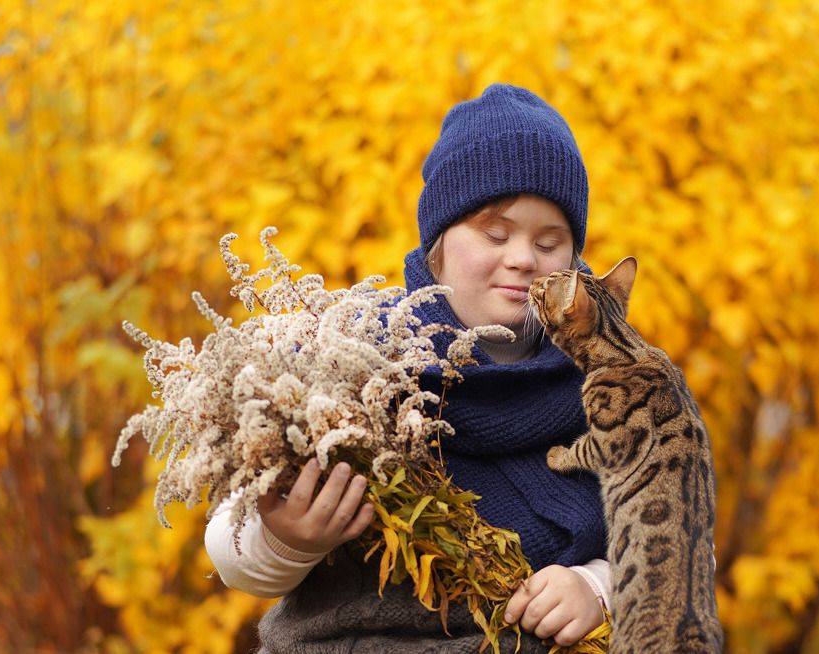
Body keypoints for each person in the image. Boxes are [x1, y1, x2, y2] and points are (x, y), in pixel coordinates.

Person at [205, 83, 610, 653]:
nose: (523, 258)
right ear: (438, 244)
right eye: (495, 233)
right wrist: (286, 537)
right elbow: (231, 547)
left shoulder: (609, 379)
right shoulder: (350, 360)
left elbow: (680, 533)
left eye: (551, 241)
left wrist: (597, 586)